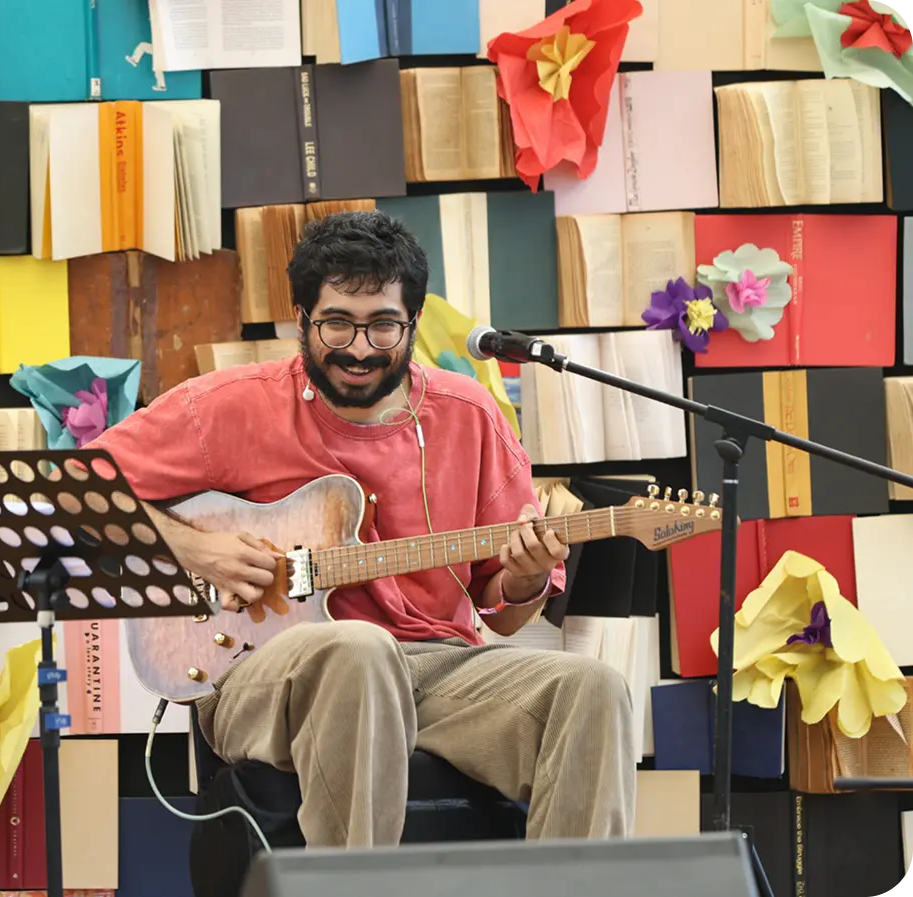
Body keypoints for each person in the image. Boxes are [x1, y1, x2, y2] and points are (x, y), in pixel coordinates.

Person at [93, 210, 635, 847]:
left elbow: (506, 617)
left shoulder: (470, 415)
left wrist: (525, 576)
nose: (358, 348)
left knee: (593, 687)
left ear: (412, 322)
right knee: (359, 648)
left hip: (437, 667)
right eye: (337, 324)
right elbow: (76, 487)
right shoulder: (227, 406)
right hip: (259, 669)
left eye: (382, 326)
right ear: (300, 320)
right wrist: (198, 548)